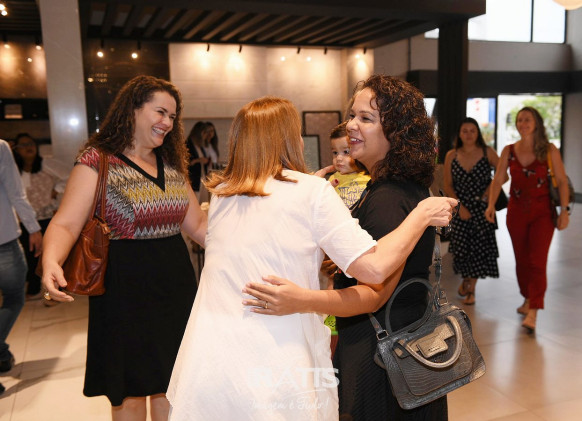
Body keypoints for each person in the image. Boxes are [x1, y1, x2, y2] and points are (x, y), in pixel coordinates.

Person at [166, 95, 457, 421]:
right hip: (278, 359)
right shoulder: (313, 193)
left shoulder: (222, 195)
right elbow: (375, 269)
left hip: (212, 362)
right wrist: (421, 215)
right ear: (288, 139)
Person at [244, 75, 451, 420]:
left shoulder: (388, 197)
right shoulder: (390, 186)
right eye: (352, 115)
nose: (352, 125)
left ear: (396, 132)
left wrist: (300, 299)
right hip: (398, 338)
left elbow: (375, 292)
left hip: (384, 348)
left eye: (366, 118)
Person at [40, 75, 207, 421]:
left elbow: (199, 227)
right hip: (123, 291)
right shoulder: (97, 161)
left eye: (172, 116)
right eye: (160, 112)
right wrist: (51, 261)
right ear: (133, 110)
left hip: (176, 288)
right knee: (129, 392)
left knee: (171, 385)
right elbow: (66, 223)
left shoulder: (172, 164)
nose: (167, 122)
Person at [485, 106, 570, 333]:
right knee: (522, 261)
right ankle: (527, 297)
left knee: (537, 261)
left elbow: (562, 181)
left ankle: (534, 309)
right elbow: (498, 179)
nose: (523, 123)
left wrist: (564, 210)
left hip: (543, 213)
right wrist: (491, 204)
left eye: (527, 119)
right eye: (520, 120)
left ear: (536, 123)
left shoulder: (549, 150)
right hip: (516, 212)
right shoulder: (509, 151)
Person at [443, 118, 504, 305]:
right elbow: (447, 185)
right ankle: (466, 280)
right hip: (461, 208)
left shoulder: (487, 152)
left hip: (483, 208)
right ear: (459, 134)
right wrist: (459, 207)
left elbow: (504, 174)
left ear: (478, 133)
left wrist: (489, 192)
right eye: (465, 131)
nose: (469, 134)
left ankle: (471, 289)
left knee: (479, 249)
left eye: (472, 131)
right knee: (462, 249)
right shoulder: (452, 155)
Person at [0, 139, 43, 394]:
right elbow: (15, 192)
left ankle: (2, 353)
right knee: (14, 297)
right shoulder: (0, 147)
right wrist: (33, 228)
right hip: (4, 240)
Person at [12, 133, 67, 300]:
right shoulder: (14, 169)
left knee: (51, 255)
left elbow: (70, 175)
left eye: (31, 143)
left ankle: (57, 290)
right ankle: (35, 287)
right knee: (30, 256)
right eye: (23, 145)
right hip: (25, 220)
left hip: (47, 217)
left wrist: (57, 189)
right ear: (16, 149)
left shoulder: (46, 163)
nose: (28, 147)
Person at [327, 121, 370, 208]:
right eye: (335, 153)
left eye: (346, 152)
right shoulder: (333, 180)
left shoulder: (370, 176)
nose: (338, 158)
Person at [186, 121, 210, 199]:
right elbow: (187, 163)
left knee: (203, 202)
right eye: (204, 133)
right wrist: (198, 160)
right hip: (194, 180)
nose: (205, 136)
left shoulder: (200, 146)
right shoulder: (188, 145)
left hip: (202, 178)